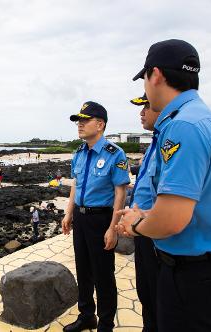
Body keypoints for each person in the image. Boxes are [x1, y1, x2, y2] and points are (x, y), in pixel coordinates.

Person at [117, 39, 211, 332]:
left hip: (192, 276)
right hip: (207, 272)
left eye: (144, 79)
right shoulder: (210, 120)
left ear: (155, 75)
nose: (145, 89)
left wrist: (135, 224)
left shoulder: (182, 126)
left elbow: (172, 219)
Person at [62, 101, 129, 332]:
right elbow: (75, 185)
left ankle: (106, 324)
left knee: (103, 275)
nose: (79, 125)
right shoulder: (79, 153)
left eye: (84, 120)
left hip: (101, 219)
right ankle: (86, 316)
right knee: (83, 269)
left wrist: (113, 227)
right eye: (78, 121)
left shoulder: (115, 154)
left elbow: (121, 191)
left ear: (100, 124)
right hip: (81, 219)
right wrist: (69, 213)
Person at [126, 93, 161, 332]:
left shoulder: (173, 141)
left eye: (146, 107)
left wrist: (137, 223)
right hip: (143, 234)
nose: (141, 112)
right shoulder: (155, 142)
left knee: (158, 300)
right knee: (146, 294)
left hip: (156, 235)